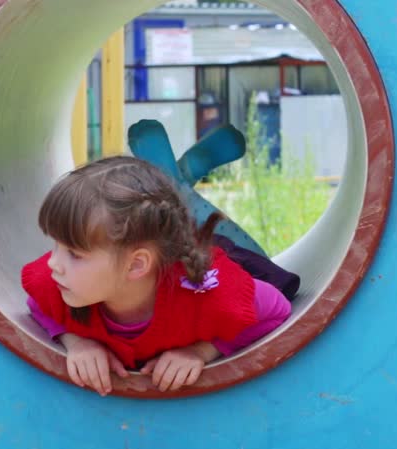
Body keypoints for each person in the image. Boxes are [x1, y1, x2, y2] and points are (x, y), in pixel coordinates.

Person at [21, 156, 291, 396]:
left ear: (135, 265)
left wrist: (201, 351)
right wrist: (77, 343)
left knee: (241, 260)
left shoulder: (211, 297)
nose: (53, 263)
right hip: (161, 259)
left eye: (74, 254)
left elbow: (277, 308)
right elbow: (38, 303)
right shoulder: (58, 281)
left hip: (199, 266)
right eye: (55, 245)